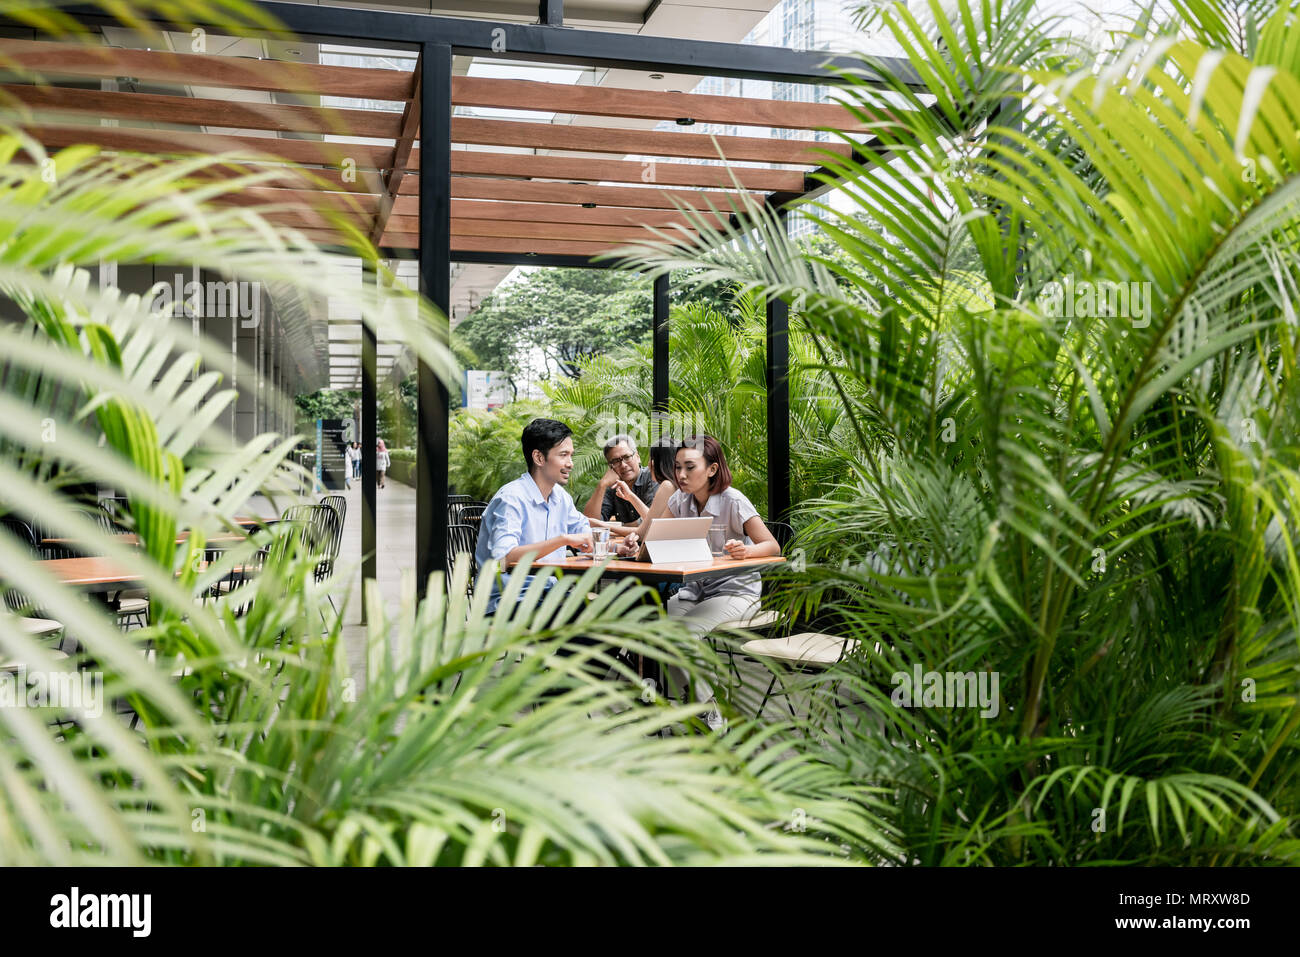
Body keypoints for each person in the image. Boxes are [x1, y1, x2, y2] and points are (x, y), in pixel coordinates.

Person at [665, 434, 779, 731]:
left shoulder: (733, 500)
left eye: (690, 467)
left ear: (712, 469)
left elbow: (772, 546)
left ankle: (710, 714)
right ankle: (691, 708)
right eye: (678, 467)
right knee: (661, 634)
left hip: (737, 593)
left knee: (685, 634)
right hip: (695, 591)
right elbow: (656, 539)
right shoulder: (679, 500)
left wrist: (747, 550)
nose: (681, 475)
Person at [474, 418, 593, 616]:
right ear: (539, 457)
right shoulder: (511, 499)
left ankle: (570, 647)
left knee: (607, 618)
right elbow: (504, 558)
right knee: (589, 622)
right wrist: (563, 540)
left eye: (571, 455)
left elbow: (584, 530)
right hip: (509, 601)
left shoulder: (560, 497)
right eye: (563, 455)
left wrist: (617, 548)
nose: (570, 464)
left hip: (548, 594)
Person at [583, 434, 658, 529]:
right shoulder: (612, 486)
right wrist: (602, 485)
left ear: (637, 457)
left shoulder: (652, 476)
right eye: (615, 461)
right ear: (610, 466)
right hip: (625, 543)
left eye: (627, 457)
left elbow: (653, 522)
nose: (623, 465)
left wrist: (619, 526)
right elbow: (590, 524)